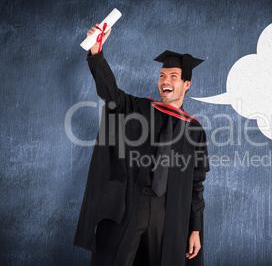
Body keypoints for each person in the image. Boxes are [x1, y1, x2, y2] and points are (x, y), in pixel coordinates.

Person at [73, 24, 210, 266]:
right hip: (134, 203)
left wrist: (195, 229)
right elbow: (111, 93)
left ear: (186, 84)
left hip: (171, 210)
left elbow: (197, 183)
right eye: (162, 76)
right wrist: (96, 54)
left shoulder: (195, 130)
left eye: (173, 77)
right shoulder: (140, 108)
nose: (165, 81)